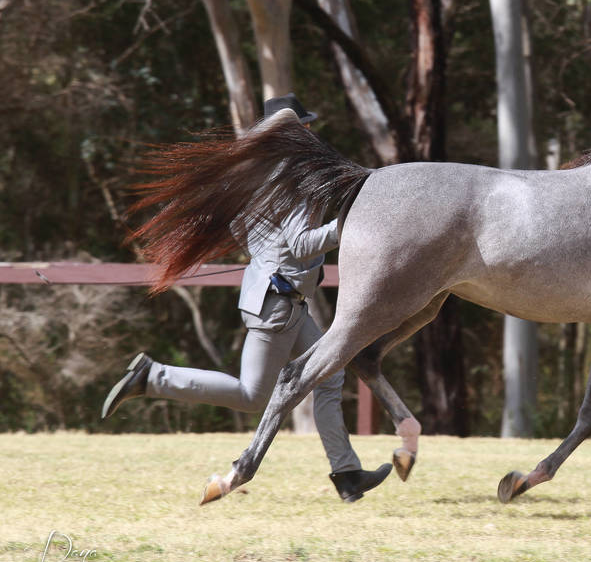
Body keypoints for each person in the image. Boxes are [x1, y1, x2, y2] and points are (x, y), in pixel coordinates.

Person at [102, 93, 391, 503]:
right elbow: (303, 242)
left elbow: (243, 229)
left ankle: (346, 474)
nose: (310, 132)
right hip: (277, 306)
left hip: (283, 301)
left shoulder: (260, 177)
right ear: (293, 132)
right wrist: (347, 223)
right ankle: (153, 377)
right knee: (252, 396)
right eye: (305, 126)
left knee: (330, 375)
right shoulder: (290, 180)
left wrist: (267, 251)